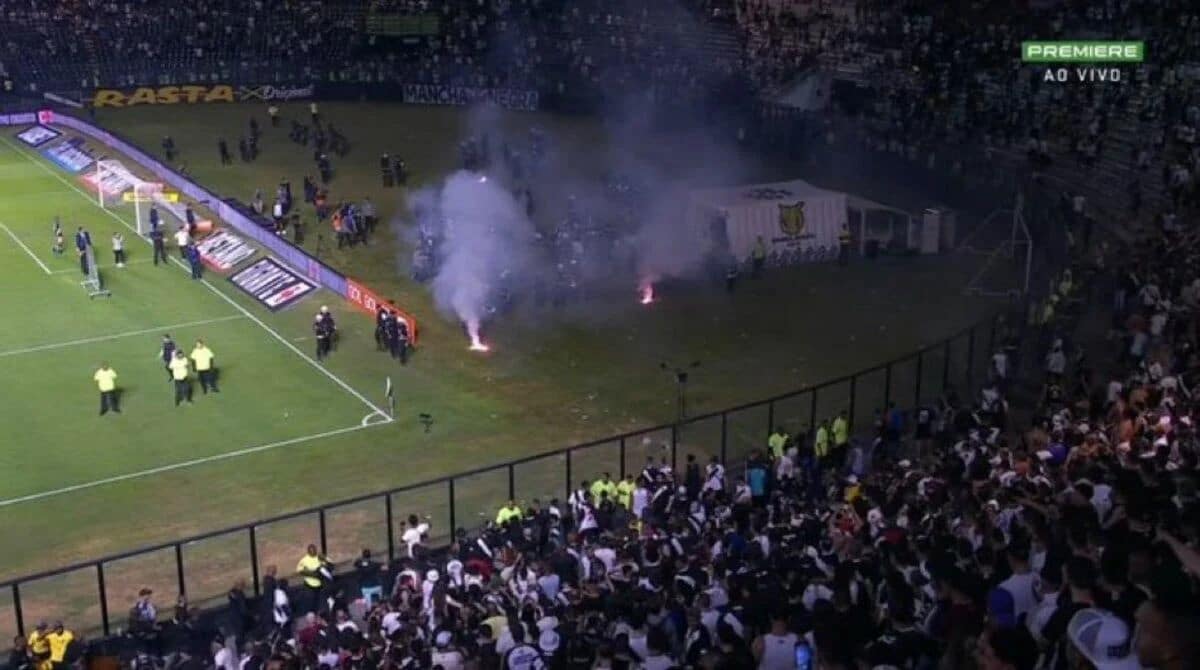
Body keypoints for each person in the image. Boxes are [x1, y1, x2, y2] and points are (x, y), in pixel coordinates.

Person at [295, 545, 324, 615]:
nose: (313, 552)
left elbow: (327, 565)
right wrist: (312, 574)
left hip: (320, 584)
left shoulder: (320, 557)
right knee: (311, 602)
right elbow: (299, 570)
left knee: (319, 601)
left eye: (314, 550)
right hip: (309, 585)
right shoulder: (304, 560)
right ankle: (312, 614)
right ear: (308, 552)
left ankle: (319, 613)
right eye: (311, 551)